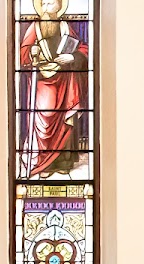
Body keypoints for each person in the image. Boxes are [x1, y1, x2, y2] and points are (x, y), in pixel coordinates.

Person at [19, 0, 89, 178]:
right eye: (45, 3)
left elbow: (83, 48)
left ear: (60, 5)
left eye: (52, 2)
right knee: (44, 118)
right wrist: (31, 52)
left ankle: (63, 163)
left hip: (65, 80)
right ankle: (44, 164)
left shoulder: (65, 26)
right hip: (42, 81)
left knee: (65, 119)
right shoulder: (34, 28)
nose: (48, 6)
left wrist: (72, 56)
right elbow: (22, 52)